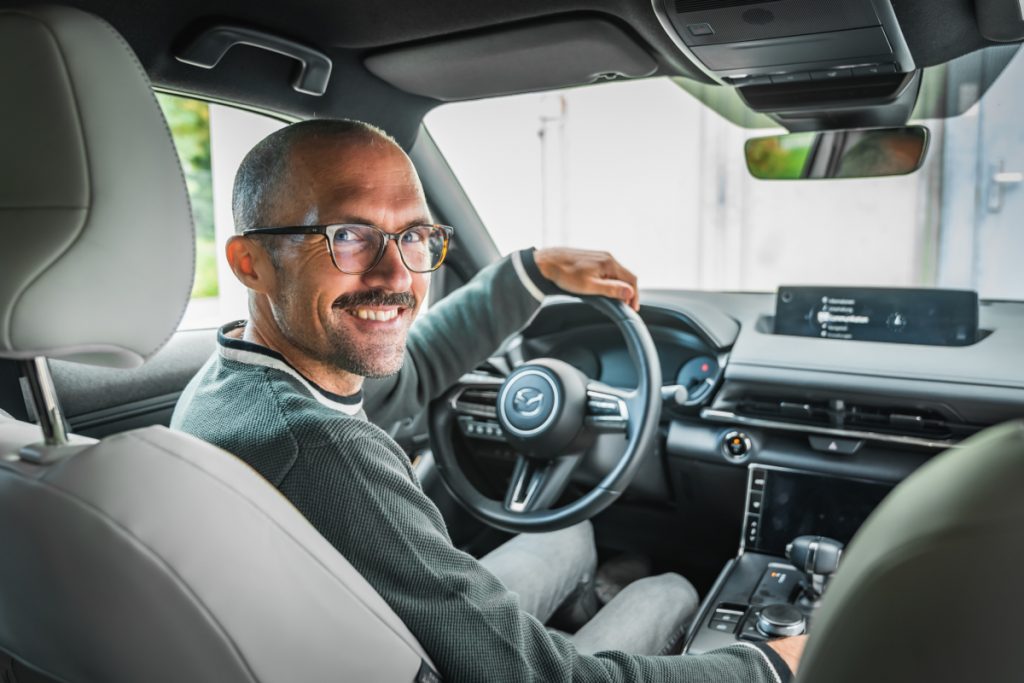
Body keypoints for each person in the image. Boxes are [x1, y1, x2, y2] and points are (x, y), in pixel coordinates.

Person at [171, 119, 805, 681]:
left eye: (414, 238)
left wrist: (529, 270)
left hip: (367, 633)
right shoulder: (319, 451)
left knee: (571, 532)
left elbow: (413, 374)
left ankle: (579, 613)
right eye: (349, 236)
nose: (397, 277)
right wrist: (769, 664)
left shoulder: (234, 378)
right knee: (666, 591)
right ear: (250, 262)